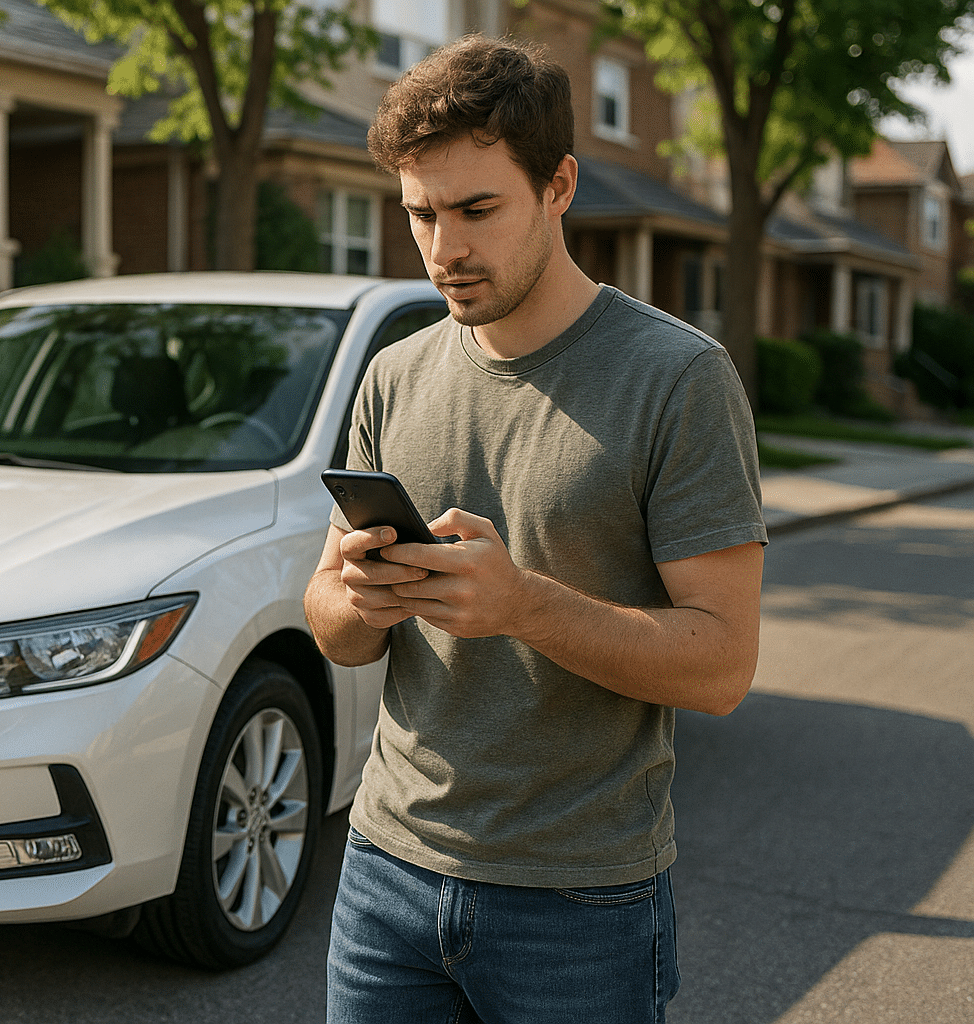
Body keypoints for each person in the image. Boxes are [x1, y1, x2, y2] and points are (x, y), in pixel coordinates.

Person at [304, 35, 767, 1024]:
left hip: (580, 896)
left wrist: (524, 605)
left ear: (559, 186)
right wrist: (351, 593)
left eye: (476, 209)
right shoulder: (394, 373)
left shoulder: (679, 378)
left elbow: (723, 664)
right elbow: (336, 632)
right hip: (386, 868)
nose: (443, 249)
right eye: (420, 214)